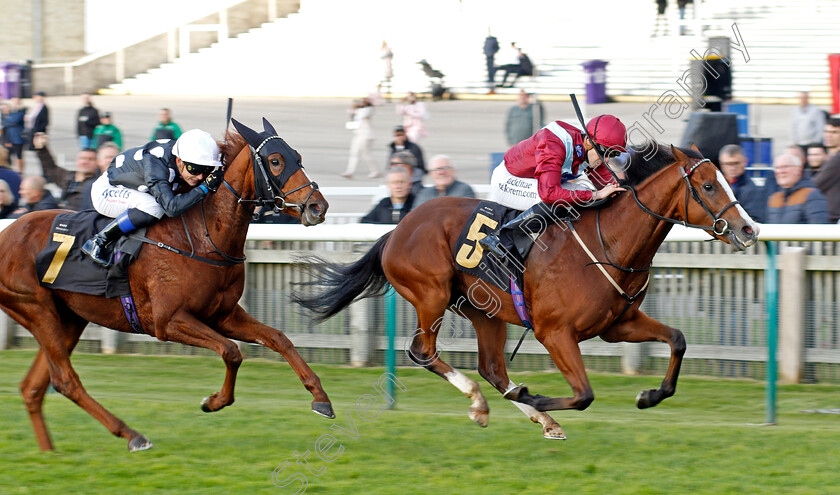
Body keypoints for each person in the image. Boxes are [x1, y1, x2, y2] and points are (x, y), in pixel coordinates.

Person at [480, 114, 627, 258]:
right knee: (566, 198)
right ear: (588, 141)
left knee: (584, 193)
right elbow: (549, 194)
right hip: (508, 181)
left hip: (534, 181)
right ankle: (501, 238)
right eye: (606, 152)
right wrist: (596, 194)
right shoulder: (554, 144)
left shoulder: (588, 147)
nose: (607, 159)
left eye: (613, 154)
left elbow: (607, 182)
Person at [80, 129, 224, 267]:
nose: (200, 176)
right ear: (179, 160)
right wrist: (205, 187)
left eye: (206, 170)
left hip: (132, 185)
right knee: (154, 207)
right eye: (195, 169)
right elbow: (171, 208)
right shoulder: (156, 166)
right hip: (106, 191)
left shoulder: (183, 153)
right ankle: (99, 241)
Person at [35, 138, 99, 211]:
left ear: (98, 163)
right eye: (82, 158)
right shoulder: (68, 176)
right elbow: (51, 168)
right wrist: (42, 149)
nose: (85, 162)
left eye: (90, 159)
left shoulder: (97, 184)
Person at [766, 153, 829, 224]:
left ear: (798, 169)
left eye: (785, 167)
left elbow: (819, 230)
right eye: (777, 168)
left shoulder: (811, 195)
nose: (780, 171)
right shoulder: (774, 198)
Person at [718, 144, 765, 222]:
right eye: (728, 164)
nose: (732, 168)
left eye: (736, 163)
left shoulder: (753, 191)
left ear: (745, 162)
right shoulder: (714, 186)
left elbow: (754, 219)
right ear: (721, 164)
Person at [341, 98, 379, 179]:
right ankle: (350, 171)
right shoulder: (358, 110)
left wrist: (357, 108)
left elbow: (363, 114)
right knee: (353, 153)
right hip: (358, 134)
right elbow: (349, 111)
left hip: (366, 135)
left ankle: (374, 171)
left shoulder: (369, 109)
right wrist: (354, 106)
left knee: (366, 154)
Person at [815, 120, 840, 223]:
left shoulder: (837, 160)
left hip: (834, 217)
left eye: (834, 132)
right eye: (826, 131)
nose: (828, 135)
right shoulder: (832, 158)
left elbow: (816, 184)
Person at [1, 97, 26, 173]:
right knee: (7, 155)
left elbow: (14, 120)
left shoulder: (21, 111)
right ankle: (9, 169)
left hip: (17, 138)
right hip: (8, 137)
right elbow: (5, 123)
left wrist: (8, 120)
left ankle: (20, 171)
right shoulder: (9, 113)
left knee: (19, 155)